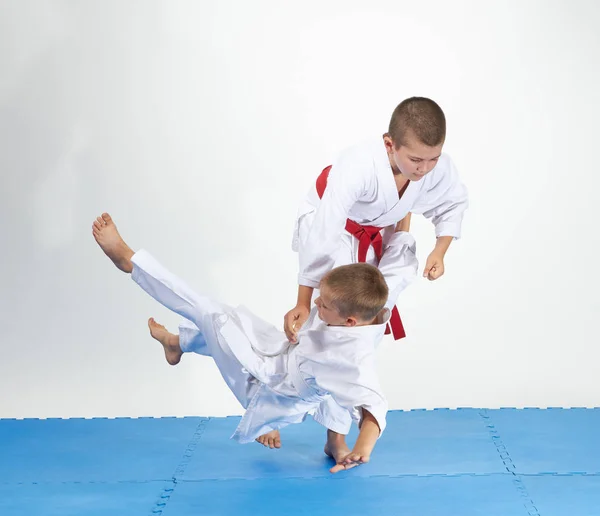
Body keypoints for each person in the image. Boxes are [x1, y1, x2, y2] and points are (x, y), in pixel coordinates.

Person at [92, 212, 418, 473]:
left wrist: (363, 450)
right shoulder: (374, 293)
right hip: (288, 352)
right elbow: (400, 263)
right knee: (234, 332)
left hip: (275, 389)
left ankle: (130, 262)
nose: (315, 305)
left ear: (349, 322)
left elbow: (374, 406)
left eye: (324, 305)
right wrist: (404, 206)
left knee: (213, 314)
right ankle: (177, 344)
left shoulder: (352, 363)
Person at [280, 96, 469, 460]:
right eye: (416, 159)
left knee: (361, 332)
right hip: (332, 229)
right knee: (330, 329)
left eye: (433, 158)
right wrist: (304, 301)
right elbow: (322, 232)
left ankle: (336, 432)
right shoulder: (358, 165)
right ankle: (282, 410)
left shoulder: (434, 166)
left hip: (376, 233)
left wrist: (438, 251)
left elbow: (452, 203)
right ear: (389, 144)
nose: (425, 168)